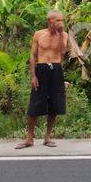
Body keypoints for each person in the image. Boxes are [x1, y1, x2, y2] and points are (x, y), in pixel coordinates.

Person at [16, 10, 71, 149]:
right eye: (58, 20)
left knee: (55, 105)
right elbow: (32, 56)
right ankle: (29, 138)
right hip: (41, 70)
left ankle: (47, 137)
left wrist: (59, 35)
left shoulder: (64, 35)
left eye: (62, 20)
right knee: (35, 105)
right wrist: (33, 76)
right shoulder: (39, 34)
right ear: (49, 21)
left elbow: (63, 52)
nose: (60, 23)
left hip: (56, 69)